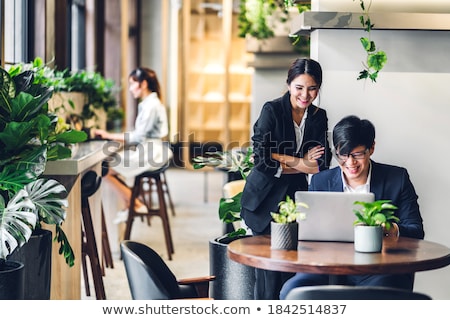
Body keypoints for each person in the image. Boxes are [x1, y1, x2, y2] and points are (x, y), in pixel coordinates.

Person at [279, 115, 425, 300]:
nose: (350, 163)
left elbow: (416, 230)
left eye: (357, 155)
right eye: (343, 155)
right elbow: (307, 233)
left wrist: (390, 229)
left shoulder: (397, 179)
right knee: (291, 291)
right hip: (326, 268)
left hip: (380, 269)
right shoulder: (320, 181)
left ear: (371, 148)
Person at [240, 58, 332, 299]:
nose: (305, 94)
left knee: (292, 271)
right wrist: (302, 161)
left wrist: (281, 158)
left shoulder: (319, 116)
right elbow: (261, 159)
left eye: (312, 88)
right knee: (269, 274)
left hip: (295, 204)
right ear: (289, 84)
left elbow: (322, 164)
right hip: (264, 202)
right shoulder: (272, 110)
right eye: (299, 87)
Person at [92, 67, 171, 223]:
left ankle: (134, 202)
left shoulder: (151, 106)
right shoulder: (150, 104)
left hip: (151, 153)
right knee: (109, 167)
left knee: (104, 169)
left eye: (132, 84)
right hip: (152, 150)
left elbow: (137, 136)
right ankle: (130, 203)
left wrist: (109, 135)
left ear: (143, 84)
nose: (129, 89)